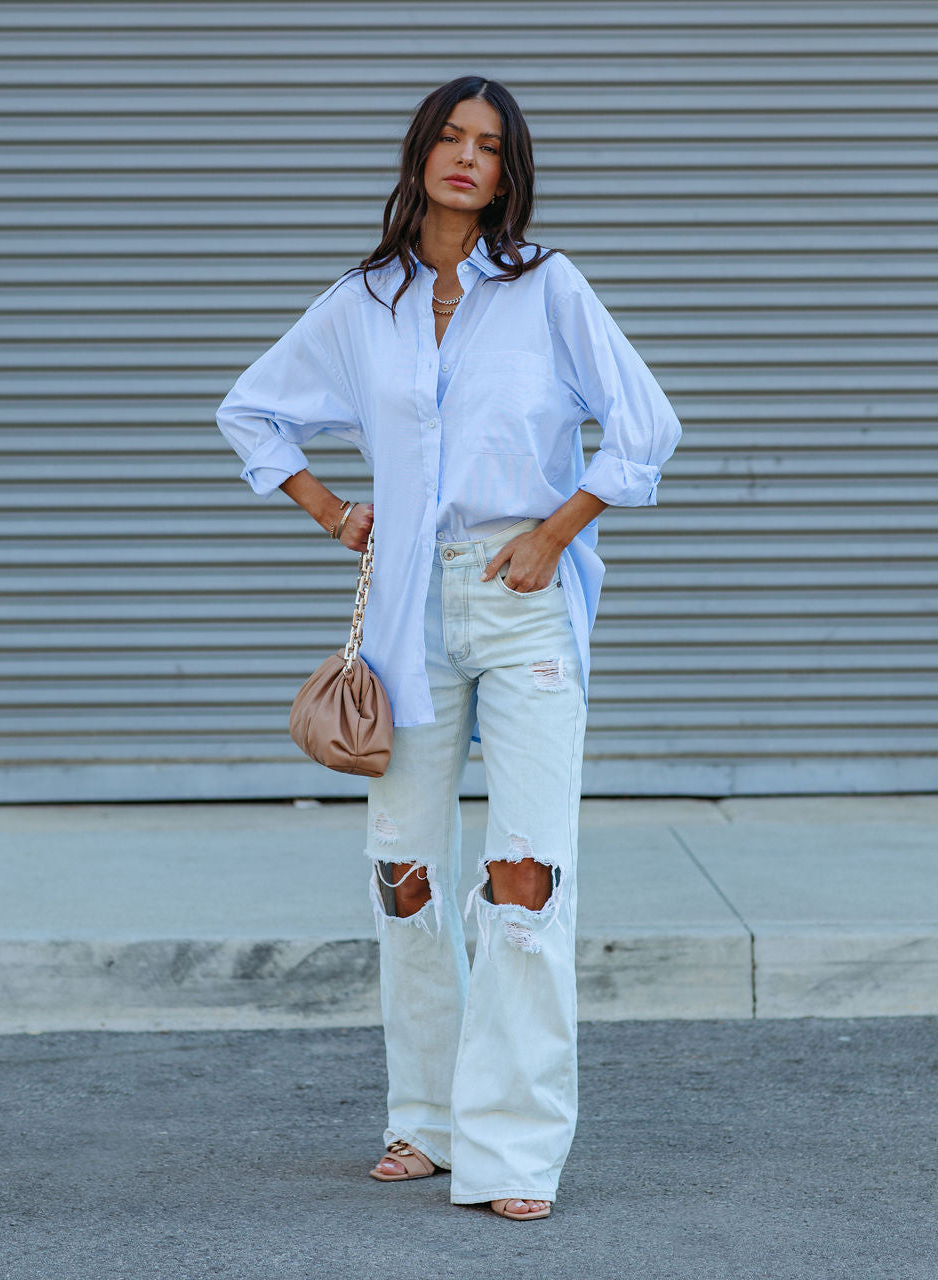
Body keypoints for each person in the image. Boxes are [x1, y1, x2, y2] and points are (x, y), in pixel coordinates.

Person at [216, 75, 682, 1221]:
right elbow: (252, 411)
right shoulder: (362, 299)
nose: (466, 158)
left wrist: (554, 532)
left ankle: (512, 1150)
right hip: (405, 621)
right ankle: (423, 1119)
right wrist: (337, 514)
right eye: (449, 138)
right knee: (406, 878)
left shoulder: (546, 290)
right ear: (420, 151)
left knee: (523, 879)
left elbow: (645, 426)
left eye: (489, 146)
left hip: (522, 604)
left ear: (508, 172)